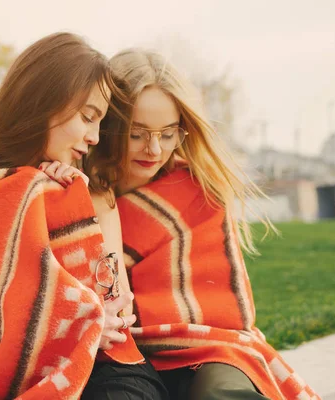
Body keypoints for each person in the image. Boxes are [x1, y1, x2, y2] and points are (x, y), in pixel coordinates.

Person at [0, 33, 167, 400]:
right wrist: (29, 192)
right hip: (7, 383)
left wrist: (74, 206)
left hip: (106, 372)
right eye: (87, 117)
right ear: (42, 102)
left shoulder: (84, 189)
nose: (95, 137)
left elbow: (115, 305)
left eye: (101, 122)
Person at [84, 49, 320, 400]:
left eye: (168, 134)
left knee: (221, 392)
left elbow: (220, 313)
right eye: (138, 134)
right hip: (115, 354)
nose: (154, 149)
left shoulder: (197, 191)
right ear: (110, 126)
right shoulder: (82, 188)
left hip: (206, 352)